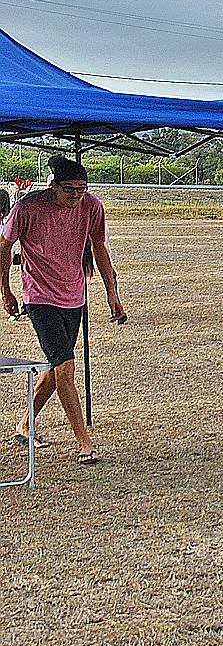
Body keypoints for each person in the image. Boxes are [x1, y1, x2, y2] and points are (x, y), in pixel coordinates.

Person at [0, 155, 124, 463]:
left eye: (82, 188)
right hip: (39, 296)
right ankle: (84, 443)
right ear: (51, 186)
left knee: (58, 369)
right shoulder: (27, 207)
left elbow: (99, 248)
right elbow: (4, 248)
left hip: (74, 295)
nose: (76, 195)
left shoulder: (92, 206)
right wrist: (6, 290)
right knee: (66, 366)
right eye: (69, 188)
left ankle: (26, 424)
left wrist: (112, 294)